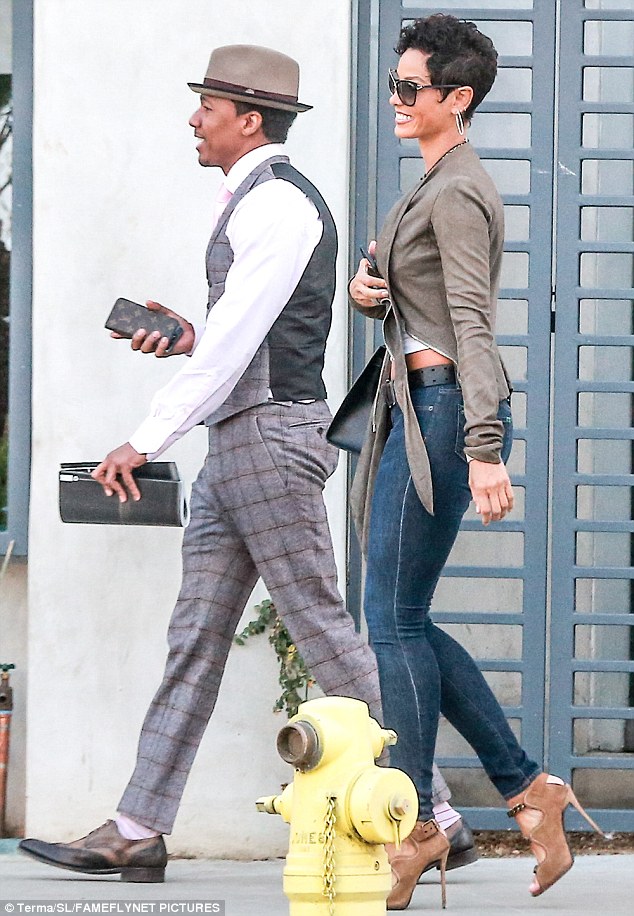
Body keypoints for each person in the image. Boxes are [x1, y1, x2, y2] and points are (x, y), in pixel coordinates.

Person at [19, 43, 470, 883]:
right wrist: (188, 336)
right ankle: (138, 827)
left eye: (209, 108)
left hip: (268, 440)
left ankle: (432, 809)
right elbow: (239, 336)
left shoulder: (280, 206)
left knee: (324, 632)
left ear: (250, 120)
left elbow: (235, 345)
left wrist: (146, 437)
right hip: (239, 442)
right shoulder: (255, 203)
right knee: (195, 636)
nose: (195, 119)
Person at [349, 14, 605, 911]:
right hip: (420, 406)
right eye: (394, 83)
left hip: (446, 412)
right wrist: (372, 292)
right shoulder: (435, 180)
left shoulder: (458, 189)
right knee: (401, 617)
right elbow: (423, 302)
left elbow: (473, 325)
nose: (396, 98)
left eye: (409, 87)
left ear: (456, 98)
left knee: (393, 621)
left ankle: (422, 823)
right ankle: (528, 791)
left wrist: (484, 447)